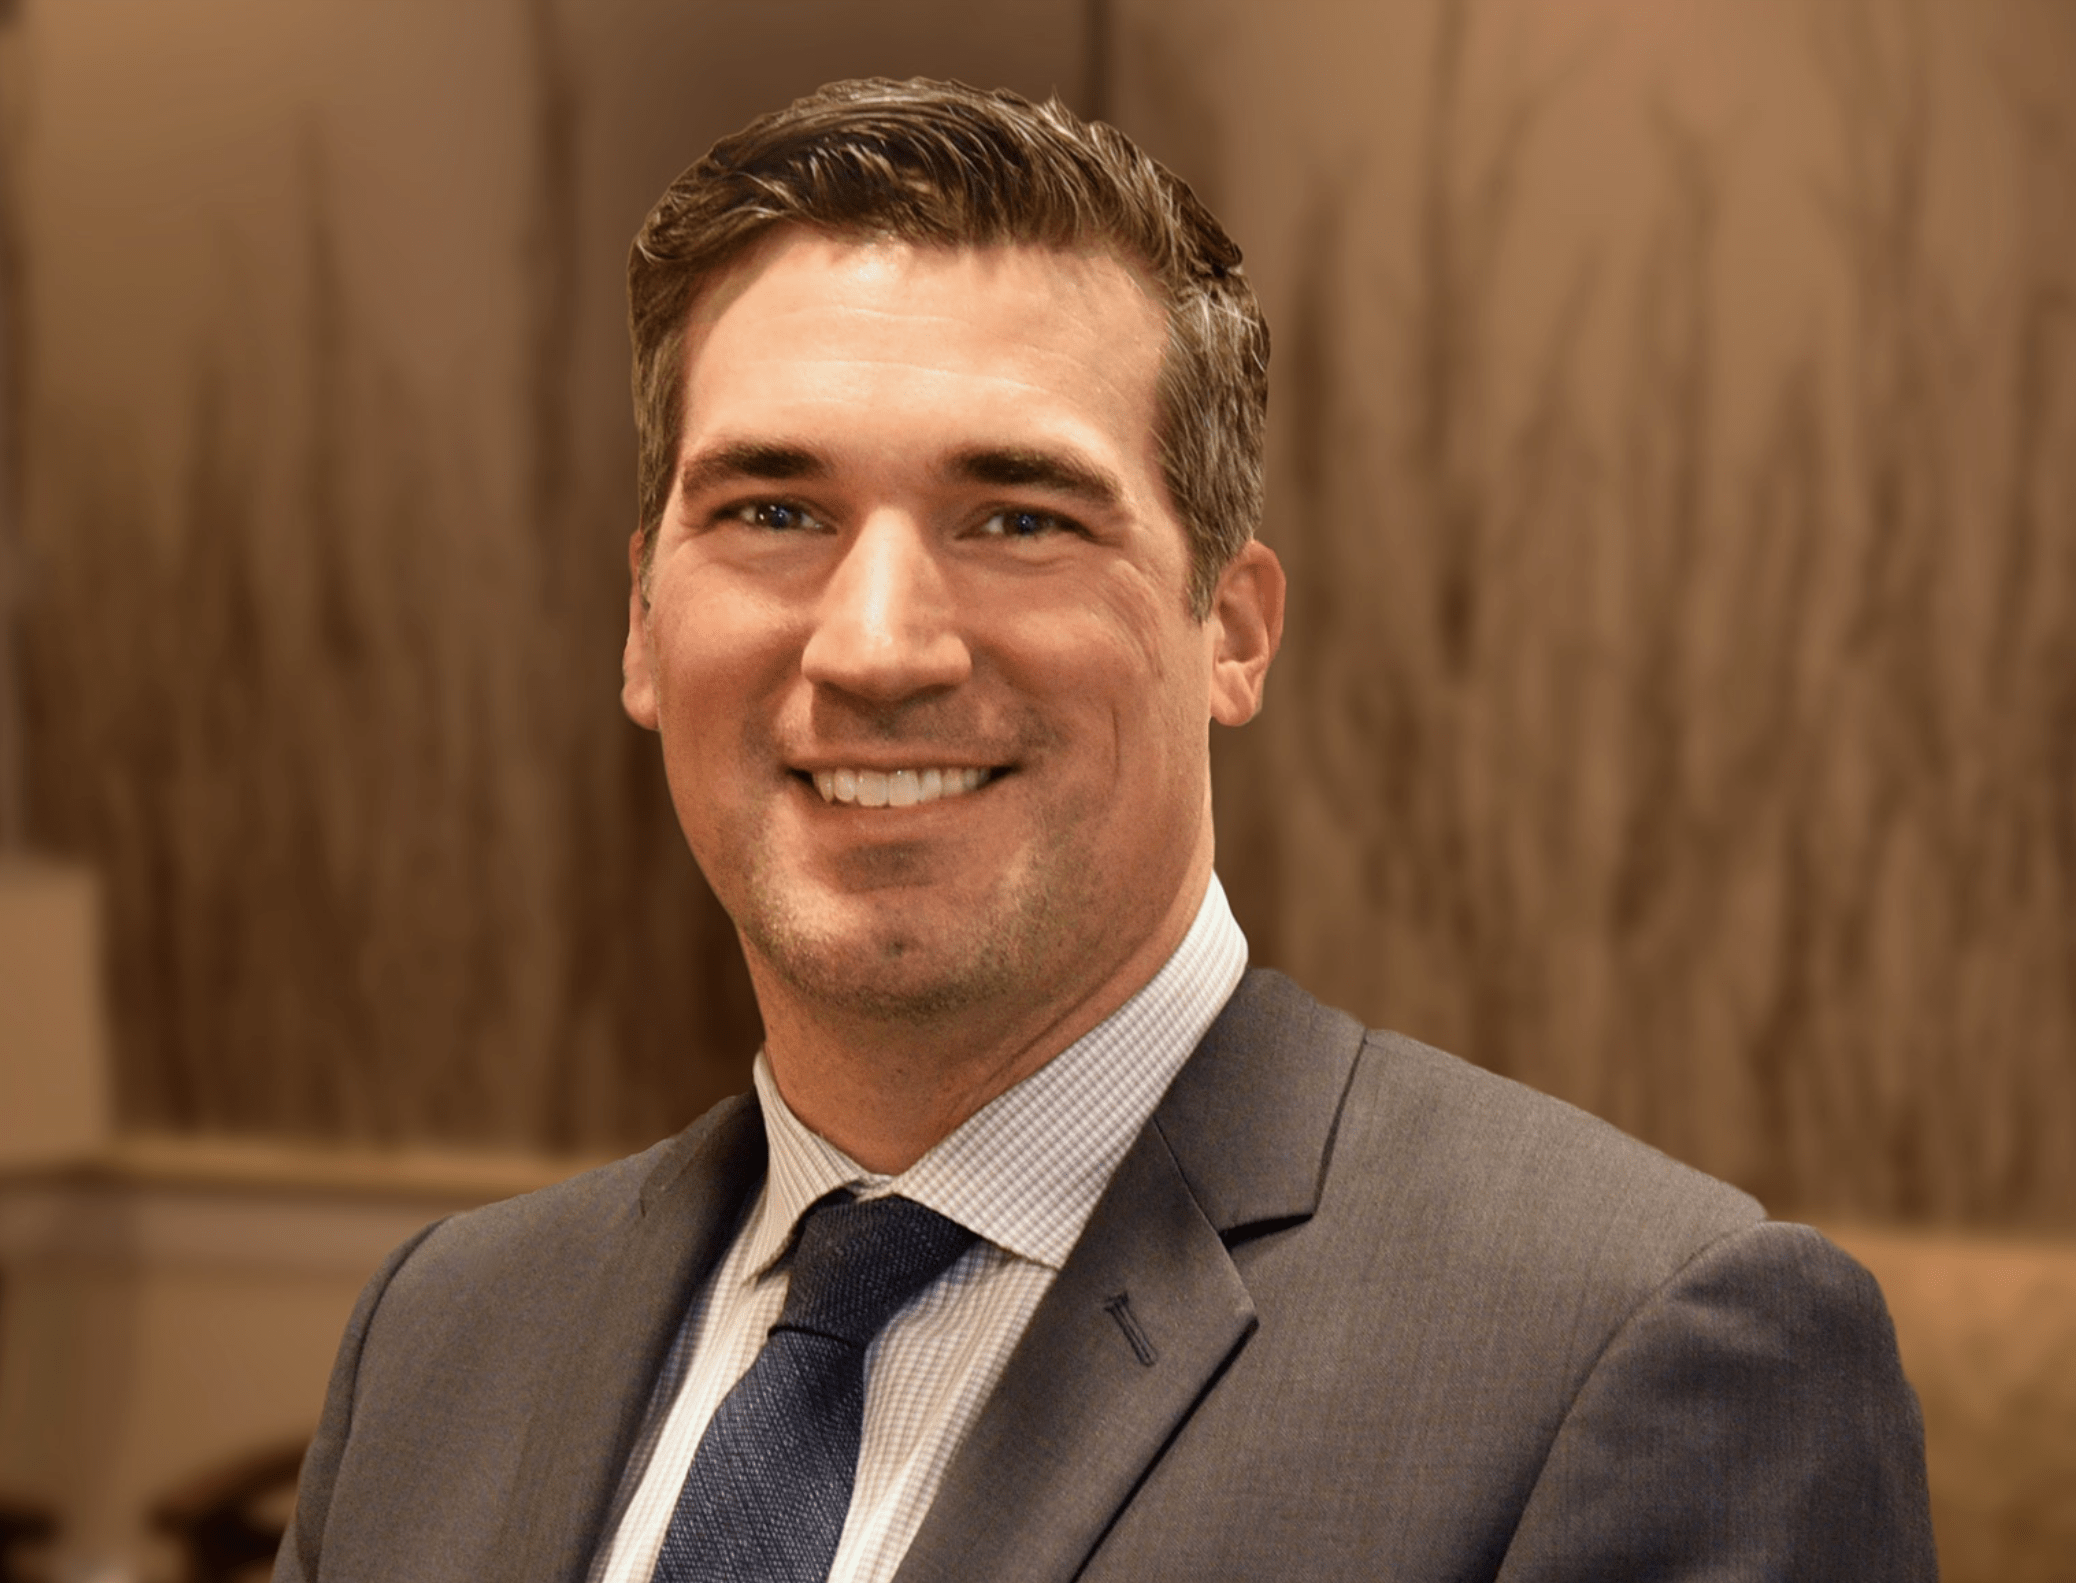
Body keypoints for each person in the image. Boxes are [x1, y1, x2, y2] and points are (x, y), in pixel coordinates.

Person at [274, 79, 1936, 1582]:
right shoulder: (438, 1341)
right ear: (644, 622)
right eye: (773, 511)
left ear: (1235, 629)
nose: (874, 645)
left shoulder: (1641, 1349)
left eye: (1016, 515)